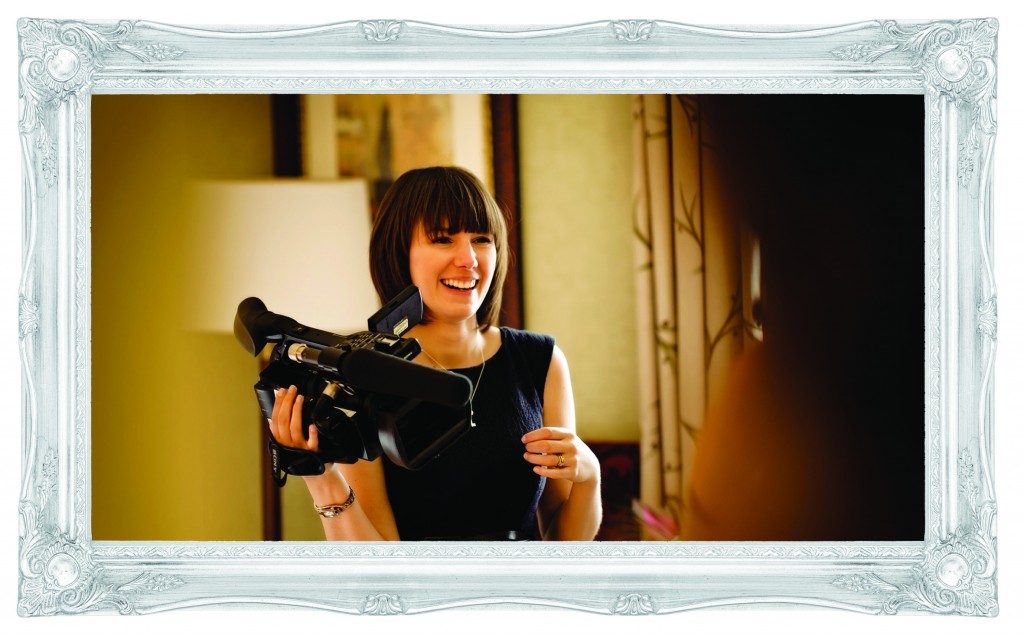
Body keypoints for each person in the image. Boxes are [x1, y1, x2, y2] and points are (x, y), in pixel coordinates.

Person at [269, 166, 602, 541]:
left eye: (481, 239)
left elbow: (563, 545)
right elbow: (378, 566)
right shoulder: (361, 373)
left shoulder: (542, 361)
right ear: (400, 253)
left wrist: (589, 475)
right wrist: (322, 477)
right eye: (443, 239)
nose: (468, 259)